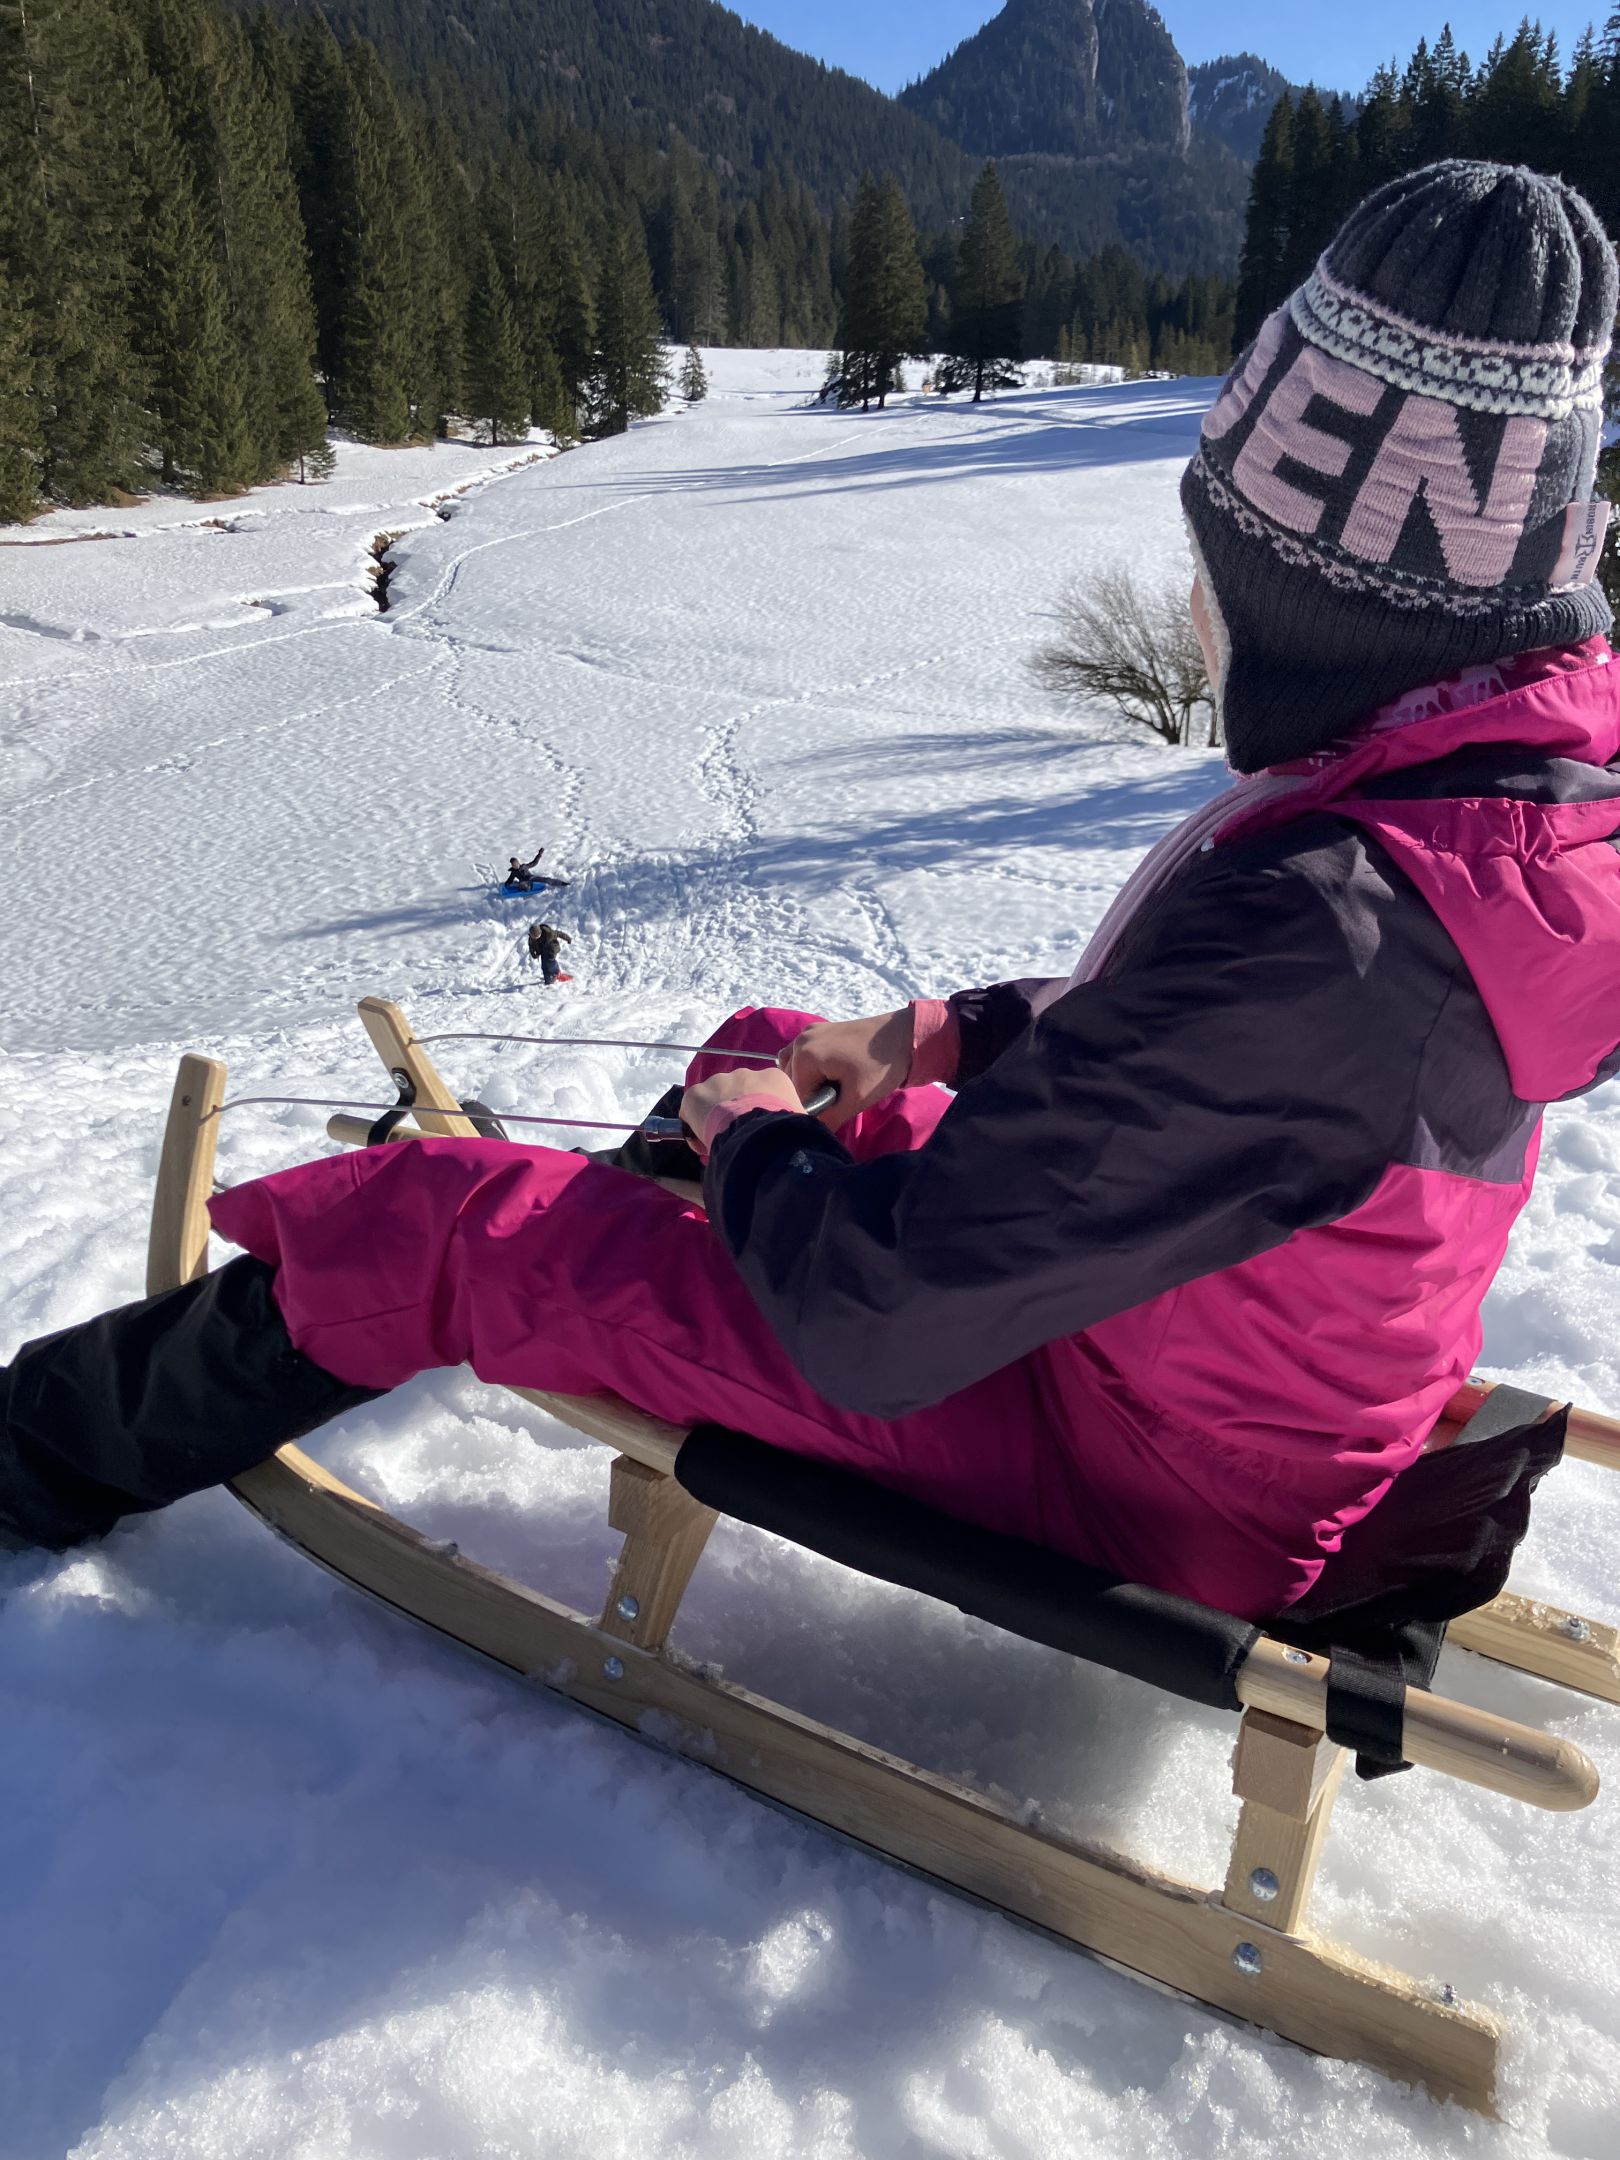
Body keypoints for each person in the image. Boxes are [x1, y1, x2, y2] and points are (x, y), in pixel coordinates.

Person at [4, 163, 1619, 1624]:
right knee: (767, 1041)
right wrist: (941, 1034)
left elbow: (881, 1321)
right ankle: (629, 1261)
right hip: (1209, 1369)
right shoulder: (1460, 815)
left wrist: (756, 1151)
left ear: (1317, 603)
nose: (1193, 603)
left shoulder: (1336, 923)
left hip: (1148, 1472)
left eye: (1218, 567)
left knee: (434, 1224)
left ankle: (40, 1455)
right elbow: (1227, 1065)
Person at [527, 921, 572, 985]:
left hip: (551, 950)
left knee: (550, 962)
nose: (535, 938)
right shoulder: (531, 938)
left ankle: (556, 974)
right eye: (534, 937)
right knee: (544, 966)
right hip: (542, 951)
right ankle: (548, 978)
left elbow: (559, 933)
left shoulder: (549, 933)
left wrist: (568, 938)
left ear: (540, 933)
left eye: (537, 937)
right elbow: (531, 946)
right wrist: (533, 954)